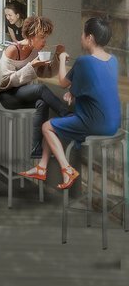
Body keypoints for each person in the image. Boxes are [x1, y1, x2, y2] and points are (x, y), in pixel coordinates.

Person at [24, 18, 123, 190]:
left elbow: (62, 81)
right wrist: (73, 92)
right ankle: (42, 167)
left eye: (83, 33)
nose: (81, 36)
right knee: (53, 127)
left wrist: (62, 58)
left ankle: (67, 169)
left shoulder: (85, 61)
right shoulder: (113, 60)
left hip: (95, 123)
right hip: (114, 123)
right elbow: (95, 85)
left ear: (90, 37)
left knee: (46, 127)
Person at [0, 15, 55, 110]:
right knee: (41, 88)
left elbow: (46, 74)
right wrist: (31, 65)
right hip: (7, 95)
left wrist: (58, 56)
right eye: (41, 37)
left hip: (23, 93)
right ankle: (67, 115)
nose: (44, 41)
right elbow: (2, 83)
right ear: (30, 35)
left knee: (43, 103)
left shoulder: (36, 51)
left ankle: (42, 126)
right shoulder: (13, 49)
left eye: (46, 38)